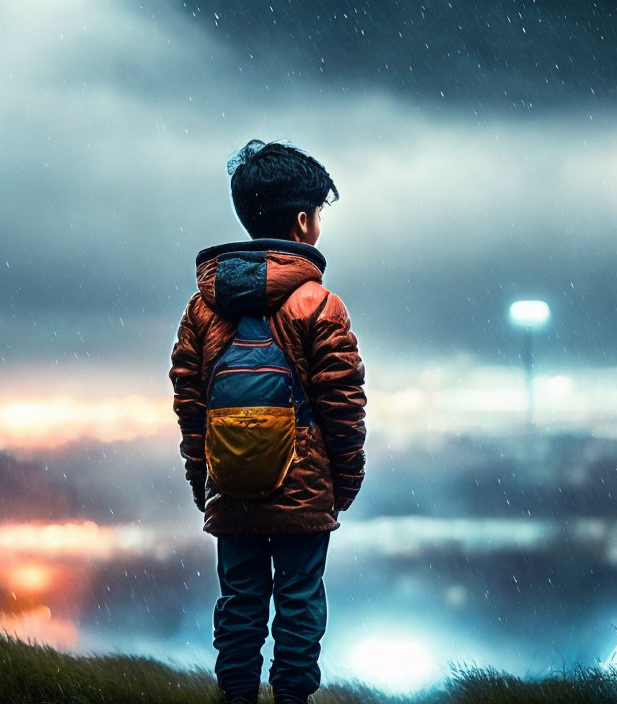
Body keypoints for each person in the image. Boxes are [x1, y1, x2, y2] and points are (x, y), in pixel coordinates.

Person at [168, 139, 367, 704]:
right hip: (304, 490)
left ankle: (235, 696)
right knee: (300, 603)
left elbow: (190, 404)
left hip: (229, 485)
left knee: (239, 603)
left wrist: (203, 477)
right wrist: (342, 484)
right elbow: (342, 407)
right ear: (303, 223)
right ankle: (292, 700)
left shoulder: (202, 307)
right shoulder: (319, 305)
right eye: (319, 215)